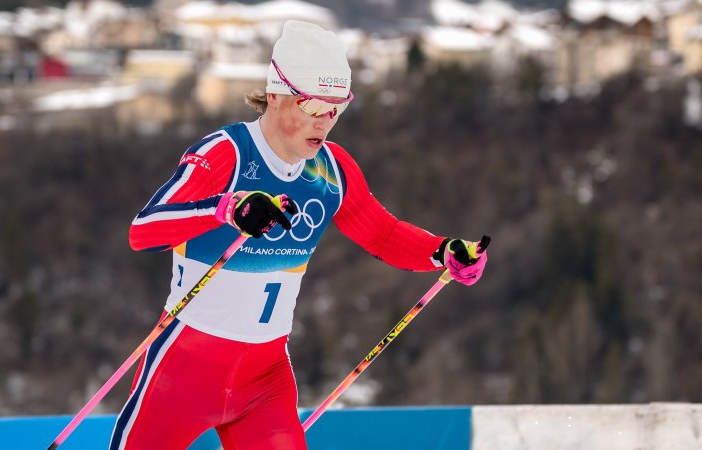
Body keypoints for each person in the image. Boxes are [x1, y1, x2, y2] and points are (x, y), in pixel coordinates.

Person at [110, 20, 488, 450]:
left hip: (264, 381)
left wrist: (443, 252)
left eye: (337, 108)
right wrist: (226, 209)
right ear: (275, 94)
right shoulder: (226, 153)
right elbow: (143, 231)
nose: (325, 122)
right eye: (312, 106)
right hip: (184, 370)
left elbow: (382, 234)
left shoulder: (331, 170)